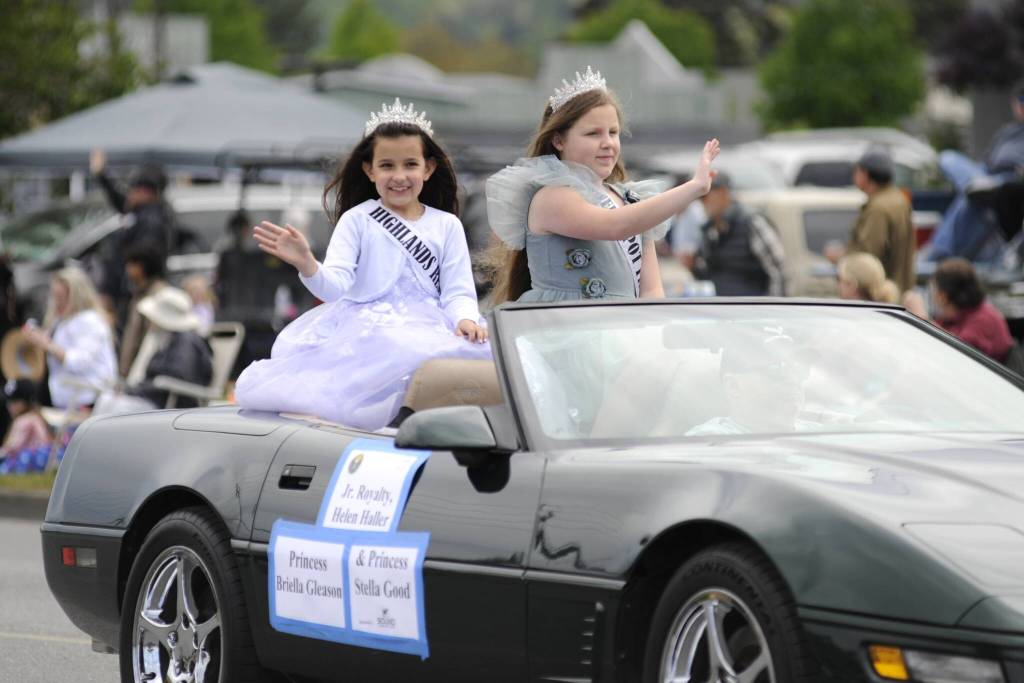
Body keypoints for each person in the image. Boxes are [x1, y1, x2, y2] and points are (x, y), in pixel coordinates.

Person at [234, 98, 490, 430]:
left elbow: (457, 292)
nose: (399, 176)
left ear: (428, 168)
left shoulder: (447, 225)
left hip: (431, 325)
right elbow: (334, 287)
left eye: (410, 164)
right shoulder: (357, 220)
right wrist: (308, 264)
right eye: (387, 166)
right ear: (369, 170)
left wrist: (466, 319)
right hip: (369, 329)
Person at [486, 66, 719, 303]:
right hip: (564, 329)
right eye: (593, 134)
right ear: (558, 140)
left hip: (619, 330)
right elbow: (615, 226)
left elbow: (651, 291)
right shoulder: (552, 197)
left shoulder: (630, 199)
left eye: (613, 132)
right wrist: (693, 188)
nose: (608, 143)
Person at [928, 80, 1024, 260]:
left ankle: (939, 252)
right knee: (947, 157)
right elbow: (986, 161)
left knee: (969, 200)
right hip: (985, 175)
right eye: (1021, 100)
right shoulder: (1007, 132)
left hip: (1009, 179)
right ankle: (974, 185)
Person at [89, 148, 177, 327]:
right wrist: (102, 175)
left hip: (144, 287)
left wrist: (131, 264)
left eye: (136, 189)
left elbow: (147, 252)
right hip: (135, 288)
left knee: (136, 331)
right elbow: (121, 202)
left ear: (148, 192)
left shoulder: (153, 218)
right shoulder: (143, 212)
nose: (131, 193)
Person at [94, 287, 214, 414]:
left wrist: (135, 390)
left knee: (115, 406)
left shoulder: (186, 343)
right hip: (156, 399)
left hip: (170, 405)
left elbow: (174, 378)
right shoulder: (168, 339)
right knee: (106, 401)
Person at [687, 331, 820, 436]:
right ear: (734, 386)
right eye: (777, 368)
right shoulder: (707, 442)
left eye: (799, 367)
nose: (793, 379)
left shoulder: (822, 433)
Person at [20, 268, 117, 409]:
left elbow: (80, 361)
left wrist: (47, 345)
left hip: (88, 401)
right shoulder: (61, 321)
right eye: (55, 296)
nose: (57, 302)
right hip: (67, 401)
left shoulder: (89, 321)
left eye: (61, 297)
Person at [827, 149, 915, 295]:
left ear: (865, 174)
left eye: (857, 171)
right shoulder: (898, 199)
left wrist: (839, 258)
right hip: (898, 289)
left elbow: (867, 257)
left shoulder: (878, 208)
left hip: (878, 295)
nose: (854, 176)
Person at [692, 172, 787, 296]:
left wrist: (771, 308)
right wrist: (692, 266)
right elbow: (710, 276)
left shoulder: (753, 223)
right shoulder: (709, 230)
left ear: (723, 193)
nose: (702, 203)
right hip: (722, 308)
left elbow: (778, 272)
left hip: (752, 309)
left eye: (705, 197)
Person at [903, 258, 1014, 363]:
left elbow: (958, 354)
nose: (933, 295)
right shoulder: (956, 315)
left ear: (943, 297)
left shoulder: (985, 319)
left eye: (934, 289)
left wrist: (923, 319)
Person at [118, 246, 168, 377]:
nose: (127, 269)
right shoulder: (138, 294)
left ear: (142, 267)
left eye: (131, 265)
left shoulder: (159, 294)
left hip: (148, 370)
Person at [0, 379, 51, 464]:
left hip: (30, 463)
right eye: (8, 401)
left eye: (14, 401)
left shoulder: (24, 420)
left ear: (27, 402)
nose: (9, 405)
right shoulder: (36, 416)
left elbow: (11, 448)